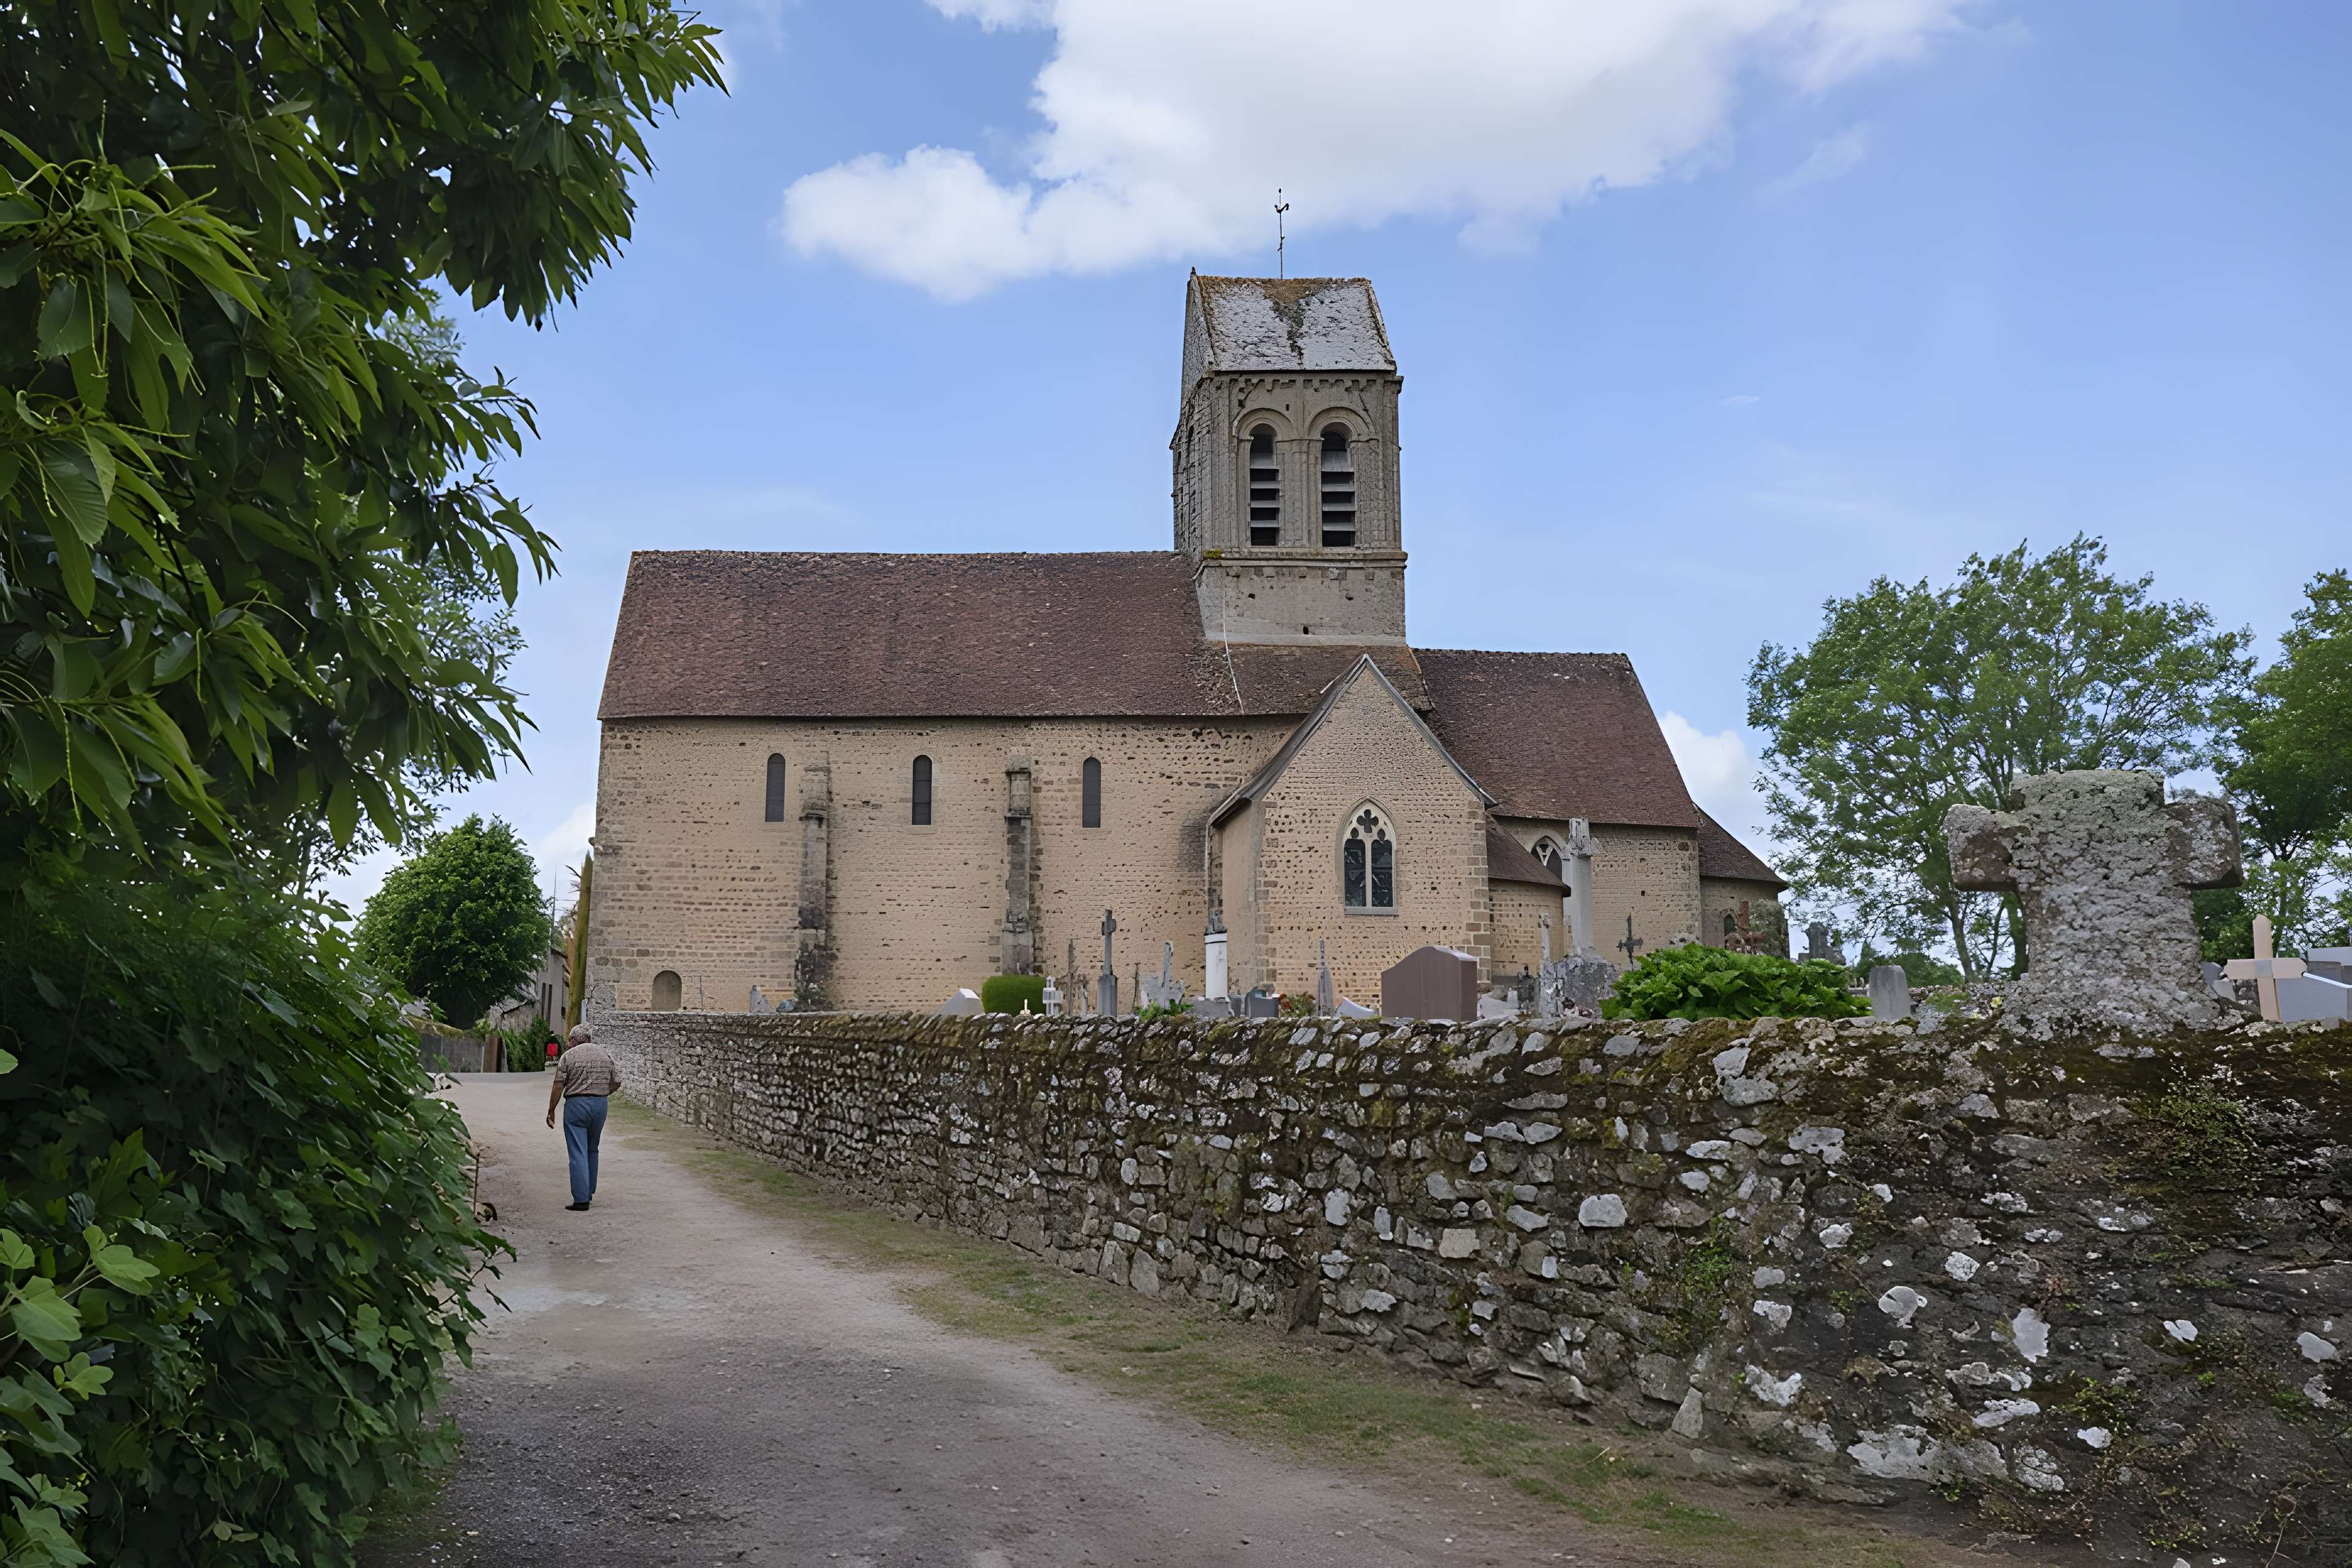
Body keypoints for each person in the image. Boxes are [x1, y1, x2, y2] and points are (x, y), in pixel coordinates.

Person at [546, 1023, 621, 1211]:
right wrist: (604, 1093)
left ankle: (581, 1199)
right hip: (600, 1104)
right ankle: (589, 1191)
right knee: (592, 1148)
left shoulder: (569, 1057)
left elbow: (558, 1084)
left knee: (578, 1150)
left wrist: (551, 1110)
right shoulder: (606, 1055)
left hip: (577, 1105)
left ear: (574, 1040)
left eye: (569, 1040)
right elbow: (617, 1081)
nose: (568, 1043)